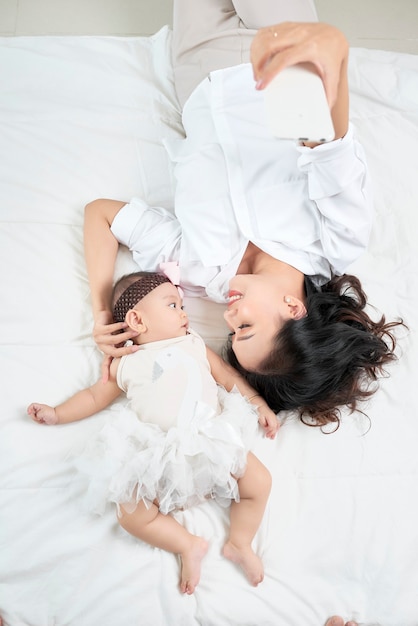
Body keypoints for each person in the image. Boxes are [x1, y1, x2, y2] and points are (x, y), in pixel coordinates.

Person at [83, 0, 403, 432]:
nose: (229, 320)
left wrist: (103, 311)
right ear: (293, 308)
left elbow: (101, 216)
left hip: (198, 71)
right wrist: (324, 58)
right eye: (246, 327)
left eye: (232, 335)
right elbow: (326, 146)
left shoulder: (200, 272)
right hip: (277, 56)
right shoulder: (334, 244)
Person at [28, 270, 279, 595]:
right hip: (162, 457)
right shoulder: (123, 363)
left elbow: (227, 376)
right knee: (130, 514)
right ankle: (187, 544)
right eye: (173, 305)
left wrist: (258, 403)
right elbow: (93, 397)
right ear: (137, 319)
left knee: (259, 481)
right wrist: (57, 413)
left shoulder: (194, 344)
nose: (184, 313)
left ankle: (240, 543)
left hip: (210, 444)